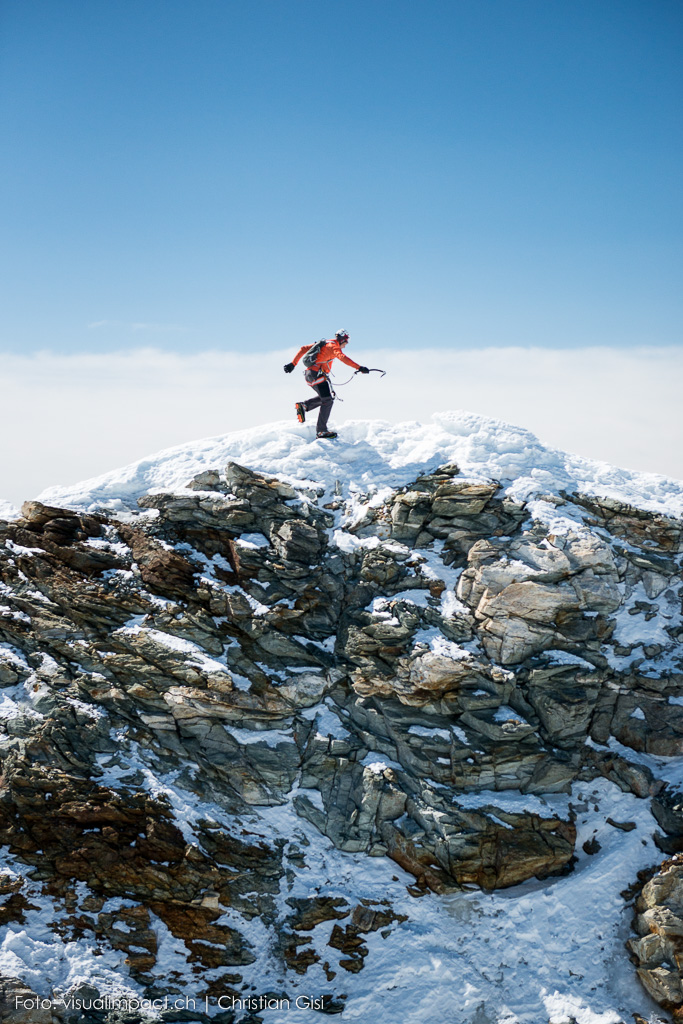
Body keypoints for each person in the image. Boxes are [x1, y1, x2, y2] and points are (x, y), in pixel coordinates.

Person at [283, 330, 369, 439]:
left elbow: (303, 348)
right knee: (328, 400)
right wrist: (359, 367)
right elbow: (342, 357)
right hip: (316, 375)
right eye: (346, 343)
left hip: (310, 375)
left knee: (327, 398)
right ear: (342, 340)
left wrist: (293, 364)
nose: (345, 346)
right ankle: (321, 431)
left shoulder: (324, 343)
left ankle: (305, 406)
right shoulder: (334, 347)